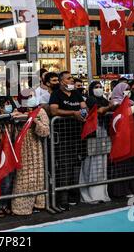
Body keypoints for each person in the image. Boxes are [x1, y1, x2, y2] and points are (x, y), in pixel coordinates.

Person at [49, 71, 87, 210]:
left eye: (72, 78)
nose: (72, 80)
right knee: (64, 167)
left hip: (77, 135)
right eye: (69, 78)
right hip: (63, 137)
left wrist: (83, 113)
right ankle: (62, 199)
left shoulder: (76, 94)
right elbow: (54, 111)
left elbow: (84, 108)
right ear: (61, 81)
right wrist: (73, 113)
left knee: (74, 166)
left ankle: (73, 195)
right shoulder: (56, 95)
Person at [11, 90, 50, 216]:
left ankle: (38, 203)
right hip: (21, 148)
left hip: (36, 148)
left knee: (37, 176)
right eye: (29, 96)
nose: (32, 98)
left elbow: (45, 131)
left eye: (33, 96)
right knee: (23, 177)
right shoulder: (16, 112)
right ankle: (21, 207)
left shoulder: (40, 111)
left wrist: (33, 120)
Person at [80, 81, 114, 204]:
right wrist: (110, 107)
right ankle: (90, 194)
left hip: (103, 132)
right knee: (92, 162)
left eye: (100, 87)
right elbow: (99, 111)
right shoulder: (90, 99)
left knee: (102, 161)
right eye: (96, 87)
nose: (99, 89)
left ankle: (100, 193)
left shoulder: (104, 100)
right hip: (93, 133)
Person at [107, 82, 134, 199]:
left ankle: (133, 188)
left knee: (131, 163)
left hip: (131, 135)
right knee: (121, 163)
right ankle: (121, 190)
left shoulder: (131, 101)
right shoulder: (114, 101)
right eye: (125, 89)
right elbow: (117, 111)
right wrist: (131, 110)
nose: (128, 91)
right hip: (120, 137)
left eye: (129, 89)